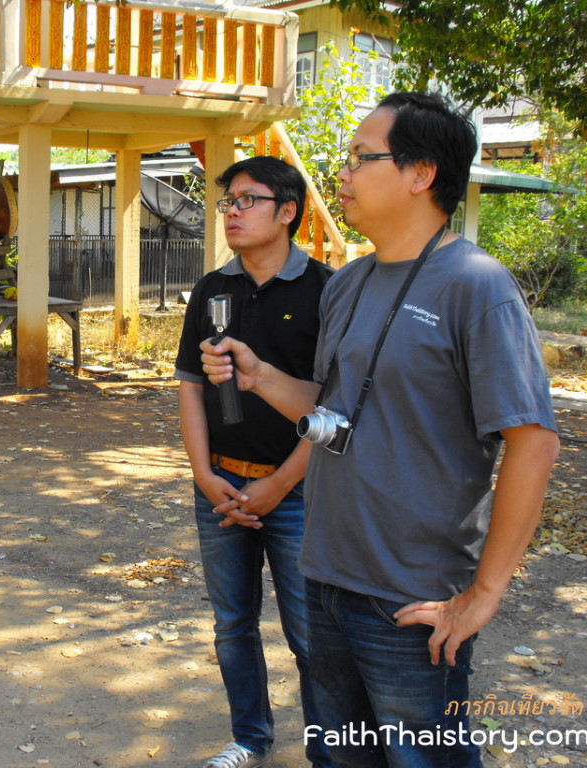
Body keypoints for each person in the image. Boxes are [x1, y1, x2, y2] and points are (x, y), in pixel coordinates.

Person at [201, 92, 560, 767]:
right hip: (326, 574)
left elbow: (533, 442)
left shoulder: (477, 287)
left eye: (360, 158)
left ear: (420, 173)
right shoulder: (350, 283)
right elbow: (339, 418)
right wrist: (261, 378)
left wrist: (483, 594)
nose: (341, 174)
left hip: (413, 595)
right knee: (339, 757)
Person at [175, 155, 334, 768]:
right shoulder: (213, 288)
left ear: (288, 211)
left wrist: (281, 482)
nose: (233, 212)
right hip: (219, 487)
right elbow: (191, 385)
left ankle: (329, 750)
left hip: (297, 491)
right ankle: (249, 738)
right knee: (232, 625)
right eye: (227, 203)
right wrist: (203, 474)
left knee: (311, 635)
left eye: (247, 200)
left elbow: (334, 406)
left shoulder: (327, 290)